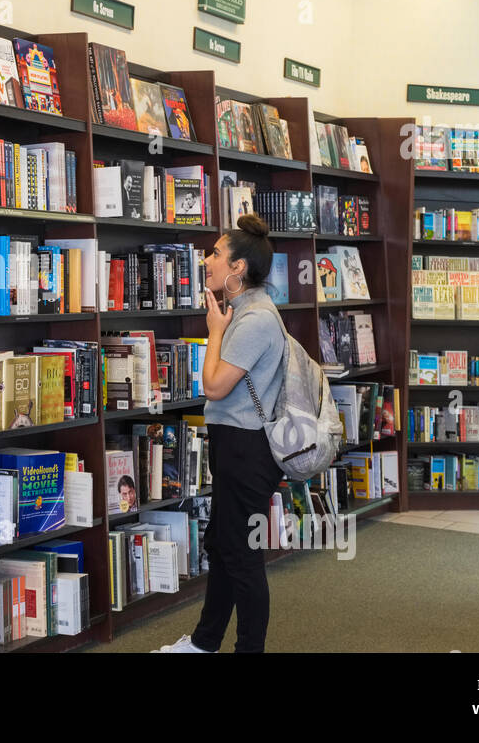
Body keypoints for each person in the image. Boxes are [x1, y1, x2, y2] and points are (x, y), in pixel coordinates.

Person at [156, 213, 286, 653]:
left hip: (248, 450)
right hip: (234, 445)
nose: (206, 260)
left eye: (215, 253)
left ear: (238, 269)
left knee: (241, 555)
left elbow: (213, 385)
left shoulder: (255, 320)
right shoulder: (244, 310)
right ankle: (204, 643)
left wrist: (214, 333)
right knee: (223, 544)